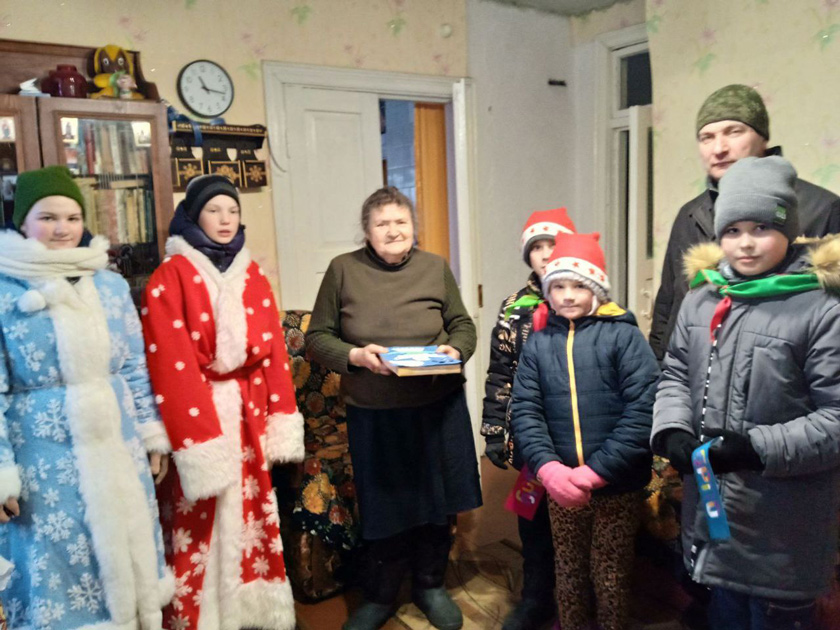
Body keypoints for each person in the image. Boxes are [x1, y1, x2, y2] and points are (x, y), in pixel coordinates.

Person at [652, 156, 840, 630]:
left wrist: (756, 449)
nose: (747, 242)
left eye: (762, 227)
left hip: (782, 532)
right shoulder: (702, 298)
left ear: (789, 229)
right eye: (733, 230)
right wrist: (671, 428)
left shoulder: (822, 308)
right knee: (725, 615)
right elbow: (675, 372)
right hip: (715, 526)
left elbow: (836, 418)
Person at [0, 165, 173, 629]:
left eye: (72, 218)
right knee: (58, 575)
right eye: (48, 217)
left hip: (120, 447)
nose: (63, 228)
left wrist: (150, 434)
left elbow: (134, 366)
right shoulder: (4, 289)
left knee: (130, 558)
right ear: (22, 222)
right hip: (42, 463)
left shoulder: (110, 285)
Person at [306, 186, 481, 630]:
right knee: (385, 505)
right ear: (366, 231)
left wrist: (455, 350)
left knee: (436, 500)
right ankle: (380, 595)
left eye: (401, 221)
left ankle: (430, 585)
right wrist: (356, 356)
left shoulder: (435, 267)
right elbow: (318, 337)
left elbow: (462, 324)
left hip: (437, 406)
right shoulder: (342, 269)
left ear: (413, 227)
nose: (393, 230)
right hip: (375, 409)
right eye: (382, 223)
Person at [141, 174, 304, 630]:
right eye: (214, 210)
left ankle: (251, 610)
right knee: (197, 516)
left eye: (233, 210)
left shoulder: (251, 273)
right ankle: (198, 616)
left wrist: (279, 415)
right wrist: (196, 439)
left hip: (248, 413)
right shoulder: (170, 275)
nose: (226, 219)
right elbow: (168, 359)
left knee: (250, 510)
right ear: (195, 216)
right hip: (198, 416)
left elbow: (273, 350)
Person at [511, 232, 659, 630]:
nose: (568, 296)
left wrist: (596, 472)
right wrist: (549, 470)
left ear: (597, 289)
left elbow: (643, 408)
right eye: (558, 286)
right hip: (561, 486)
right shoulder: (539, 344)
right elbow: (525, 410)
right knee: (569, 568)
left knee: (609, 572)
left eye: (578, 285)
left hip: (615, 483)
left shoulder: (624, 337)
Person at [649, 84, 840, 362]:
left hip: (778, 379)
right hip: (692, 375)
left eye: (734, 132)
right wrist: (659, 372)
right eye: (707, 137)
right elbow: (668, 306)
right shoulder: (690, 214)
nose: (719, 148)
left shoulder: (820, 208)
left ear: (762, 138)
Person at [481, 207, 577, 630]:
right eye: (536, 247)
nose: (545, 254)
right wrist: (495, 430)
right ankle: (536, 597)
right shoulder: (513, 308)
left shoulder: (586, 300)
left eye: (552, 244)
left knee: (575, 521)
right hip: (531, 437)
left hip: (577, 437)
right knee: (533, 522)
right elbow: (500, 372)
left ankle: (578, 598)